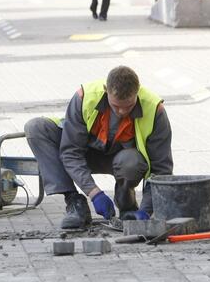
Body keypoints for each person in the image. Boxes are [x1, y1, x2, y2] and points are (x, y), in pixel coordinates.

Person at [24, 66, 173, 229]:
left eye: (129, 106)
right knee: (36, 127)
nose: (122, 111)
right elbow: (71, 153)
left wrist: (146, 211)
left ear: (137, 92)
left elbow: (161, 168)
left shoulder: (153, 108)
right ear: (105, 90)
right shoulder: (85, 97)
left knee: (132, 162)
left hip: (122, 159)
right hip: (85, 153)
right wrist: (95, 193)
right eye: (116, 106)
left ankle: (126, 203)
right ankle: (75, 203)